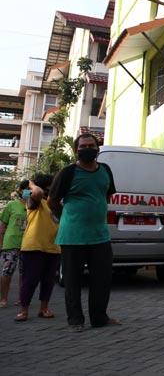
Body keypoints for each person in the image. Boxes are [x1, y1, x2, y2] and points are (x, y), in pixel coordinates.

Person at [48, 133, 118, 332]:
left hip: (100, 235)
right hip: (72, 236)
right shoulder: (68, 172)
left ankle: (99, 318)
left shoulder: (105, 170)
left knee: (102, 280)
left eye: (91, 145)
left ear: (98, 148)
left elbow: (107, 195)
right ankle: (75, 320)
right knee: (72, 281)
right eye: (83, 146)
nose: (87, 149)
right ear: (76, 150)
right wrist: (66, 217)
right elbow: (52, 201)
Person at [16, 174, 59, 322]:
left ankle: (43, 309)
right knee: (30, 279)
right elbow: (38, 192)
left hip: (53, 246)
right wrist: (31, 183)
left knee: (48, 281)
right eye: (52, 185)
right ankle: (24, 310)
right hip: (34, 245)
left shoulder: (54, 202)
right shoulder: (32, 199)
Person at [0, 180, 29, 308]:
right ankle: (3, 299)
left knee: (24, 273)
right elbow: (3, 227)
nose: (29, 191)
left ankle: (22, 298)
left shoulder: (34, 206)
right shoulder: (12, 205)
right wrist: (1, 244)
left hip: (28, 243)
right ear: (21, 191)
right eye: (27, 189)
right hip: (11, 243)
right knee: (7, 271)